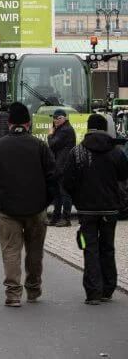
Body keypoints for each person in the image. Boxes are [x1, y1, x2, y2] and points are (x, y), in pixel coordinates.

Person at [0, 102, 56, 307]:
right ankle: (33, 288)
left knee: (11, 251)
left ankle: (13, 294)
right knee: (35, 251)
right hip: (36, 208)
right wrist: (45, 201)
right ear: (29, 123)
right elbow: (52, 177)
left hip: (8, 209)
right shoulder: (40, 146)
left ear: (9, 123)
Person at [62, 114, 128, 304]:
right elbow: (124, 176)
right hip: (110, 212)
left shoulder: (77, 152)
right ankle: (108, 289)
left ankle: (93, 292)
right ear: (105, 128)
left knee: (88, 247)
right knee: (108, 247)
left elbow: (67, 182)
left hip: (86, 213)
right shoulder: (116, 152)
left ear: (89, 128)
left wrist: (78, 199)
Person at [48, 109, 76, 227]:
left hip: (63, 166)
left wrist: (50, 135)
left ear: (64, 118)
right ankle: (55, 218)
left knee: (64, 193)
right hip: (58, 166)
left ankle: (66, 218)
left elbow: (53, 145)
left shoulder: (66, 130)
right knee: (57, 194)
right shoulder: (61, 129)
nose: (55, 120)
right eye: (54, 118)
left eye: (58, 118)